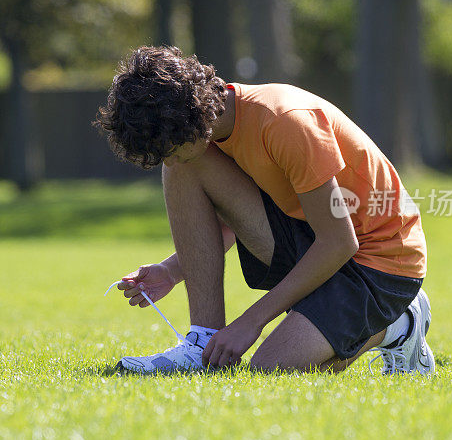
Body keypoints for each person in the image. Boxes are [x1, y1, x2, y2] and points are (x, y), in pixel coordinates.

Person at [94, 45, 434, 375]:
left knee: (272, 367)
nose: (170, 161)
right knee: (185, 168)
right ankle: (202, 341)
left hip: (381, 261)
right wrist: (171, 270)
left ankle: (401, 324)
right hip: (316, 236)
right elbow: (237, 220)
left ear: (191, 121)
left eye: (172, 150)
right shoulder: (210, 129)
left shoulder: (284, 122)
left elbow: (339, 242)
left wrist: (250, 322)